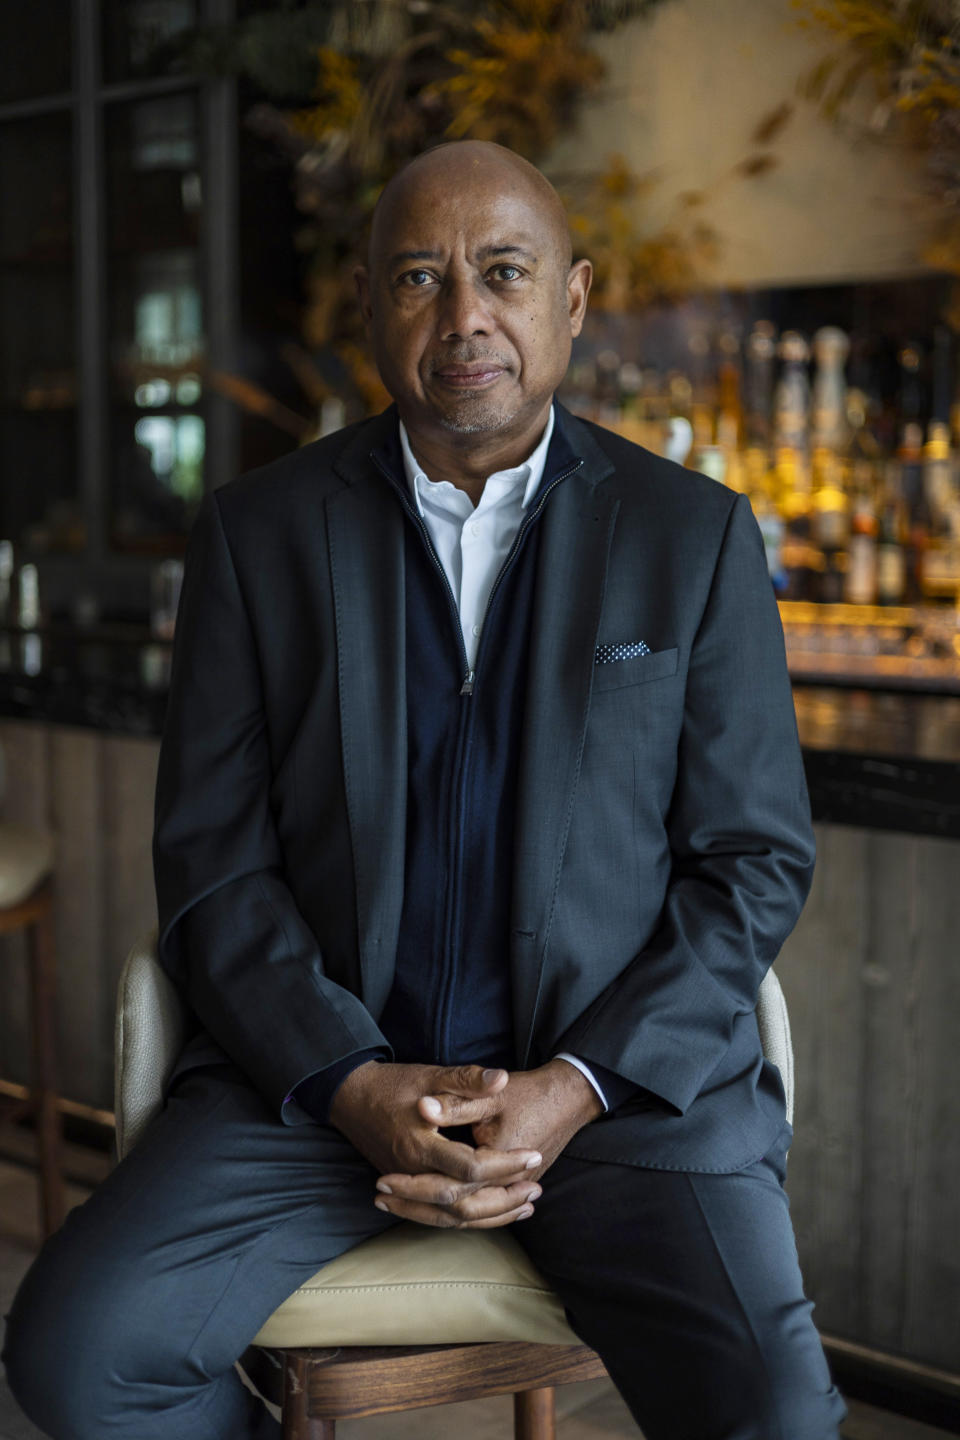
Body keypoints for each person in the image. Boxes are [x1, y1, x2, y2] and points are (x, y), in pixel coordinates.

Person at [2, 140, 846, 1439]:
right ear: (369, 307)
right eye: (420, 277)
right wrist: (352, 1082)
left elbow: (752, 863)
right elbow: (215, 865)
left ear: (570, 299)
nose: (466, 318)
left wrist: (573, 1084)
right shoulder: (258, 535)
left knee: (776, 1413)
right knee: (75, 1354)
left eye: (503, 273)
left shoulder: (694, 536)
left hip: (618, 1104)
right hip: (319, 1093)